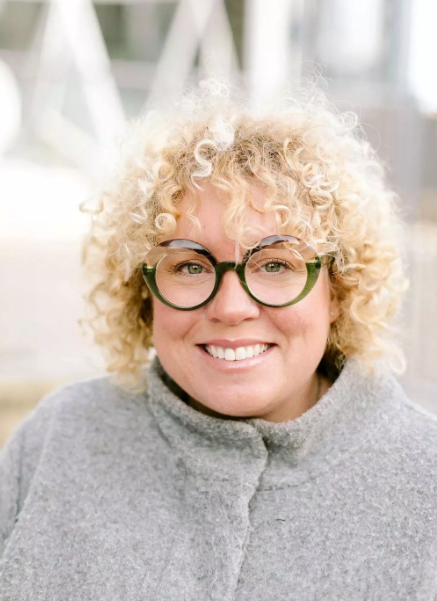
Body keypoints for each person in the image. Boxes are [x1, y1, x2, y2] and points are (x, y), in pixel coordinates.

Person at [1, 81, 437, 601]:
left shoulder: (425, 481)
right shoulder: (57, 439)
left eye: (275, 264)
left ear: (338, 290)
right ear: (143, 294)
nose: (231, 307)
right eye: (189, 265)